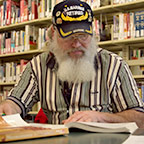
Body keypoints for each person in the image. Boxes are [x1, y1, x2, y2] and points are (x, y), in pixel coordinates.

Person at [0, 0, 144, 127]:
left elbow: (140, 118)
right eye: (68, 36)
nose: (76, 44)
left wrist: (103, 118)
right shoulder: (38, 66)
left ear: (92, 34)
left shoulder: (115, 65)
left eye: (83, 36)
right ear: (53, 34)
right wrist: (8, 108)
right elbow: (15, 102)